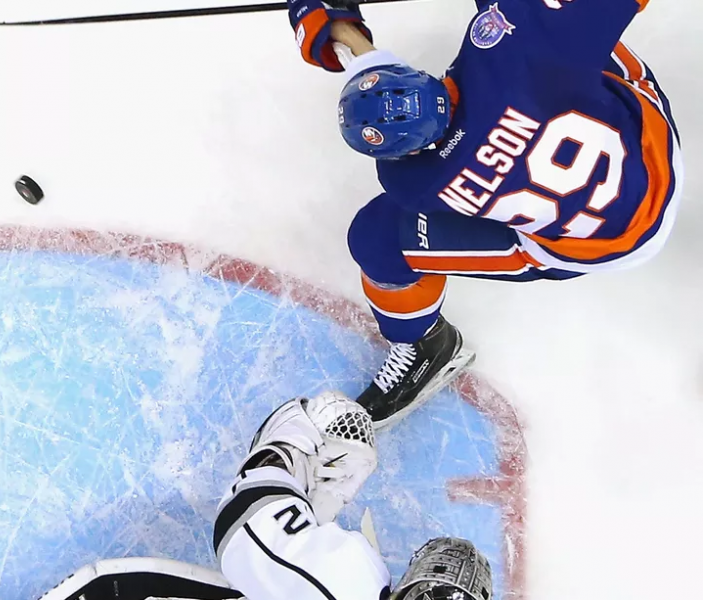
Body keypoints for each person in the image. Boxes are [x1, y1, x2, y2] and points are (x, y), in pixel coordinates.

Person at [285, 0, 682, 427]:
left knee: (378, 237)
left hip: (591, 242)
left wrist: (338, 29)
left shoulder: (415, 181)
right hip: (651, 151)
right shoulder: (521, 45)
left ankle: (419, 340)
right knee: (562, 29)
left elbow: (404, 107)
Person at [39, 391, 493, 600]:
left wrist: (288, 450)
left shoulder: (344, 581)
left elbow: (241, 520)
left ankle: (302, 494)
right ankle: (310, 518)